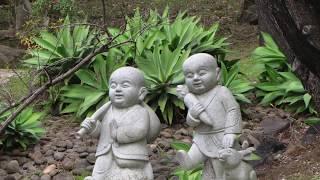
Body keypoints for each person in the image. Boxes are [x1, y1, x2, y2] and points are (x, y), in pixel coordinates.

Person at [79, 67, 160, 180]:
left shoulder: (140, 111)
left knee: (130, 171)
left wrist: (118, 134)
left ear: (141, 93)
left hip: (131, 155)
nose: (117, 89)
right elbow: (104, 133)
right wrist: (93, 128)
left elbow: (140, 131)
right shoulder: (107, 109)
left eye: (125, 85)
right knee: (100, 168)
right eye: (113, 86)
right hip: (105, 152)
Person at [176, 53, 242, 180]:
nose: (195, 78)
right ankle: (189, 162)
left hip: (220, 137)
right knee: (196, 152)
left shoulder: (222, 92)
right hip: (201, 137)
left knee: (220, 166)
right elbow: (191, 123)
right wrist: (193, 115)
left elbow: (233, 110)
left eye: (201, 73)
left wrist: (230, 132)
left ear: (217, 74)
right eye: (190, 76)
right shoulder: (192, 98)